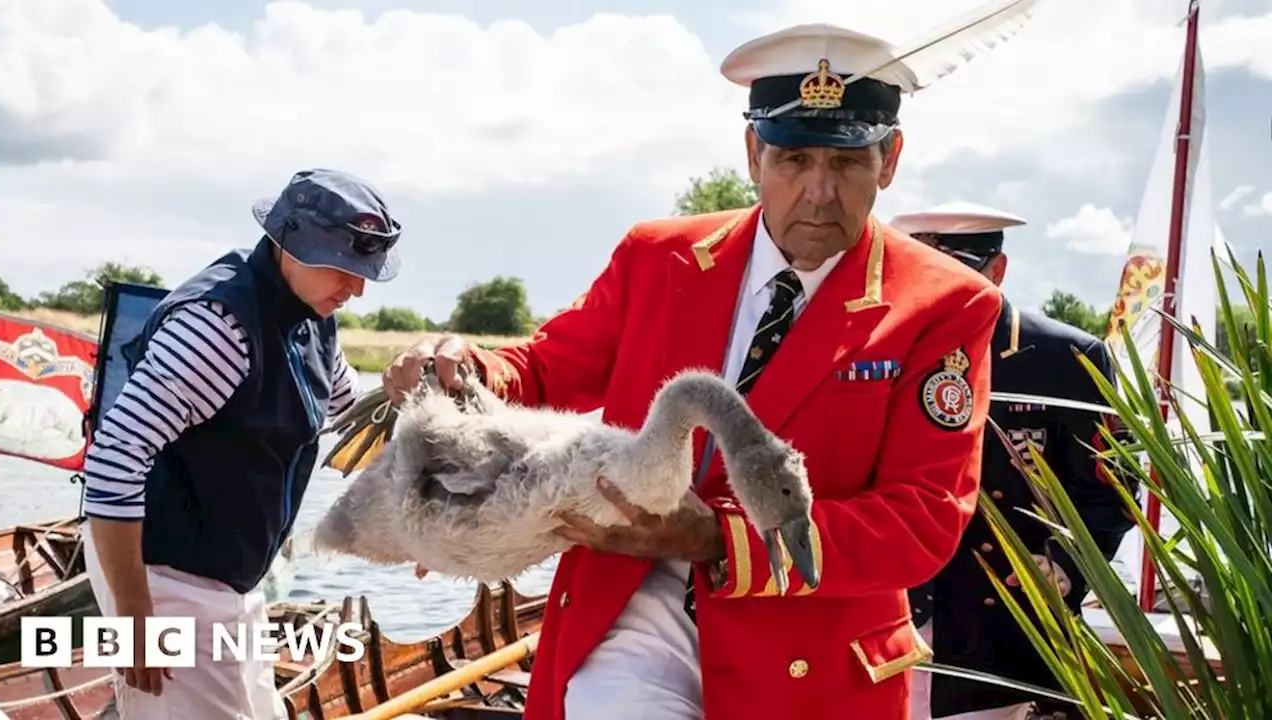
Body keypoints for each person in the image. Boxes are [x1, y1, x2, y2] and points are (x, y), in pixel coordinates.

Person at [381, 24, 1005, 720]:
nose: (820, 193)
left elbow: (921, 520)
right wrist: (468, 369)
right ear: (752, 154)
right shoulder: (657, 257)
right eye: (795, 160)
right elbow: (549, 367)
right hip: (626, 600)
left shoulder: (947, 304)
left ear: (889, 159)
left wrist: (721, 540)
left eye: (847, 162)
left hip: (811, 655)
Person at [79, 168, 402, 719]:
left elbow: (349, 415)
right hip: (165, 577)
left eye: (364, 270)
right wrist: (135, 618)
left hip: (231, 583)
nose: (357, 287)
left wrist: (400, 395)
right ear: (292, 245)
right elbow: (112, 460)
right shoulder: (217, 327)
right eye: (344, 267)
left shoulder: (310, 316)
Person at [889, 202, 1136, 720]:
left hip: (1004, 635)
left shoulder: (1064, 359)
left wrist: (1063, 567)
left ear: (996, 271)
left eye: (955, 270)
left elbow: (1110, 489)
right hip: (888, 625)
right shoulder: (879, 348)